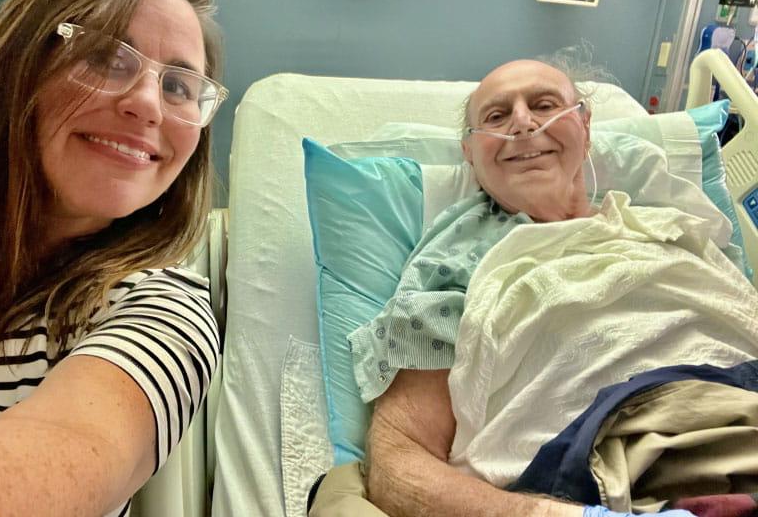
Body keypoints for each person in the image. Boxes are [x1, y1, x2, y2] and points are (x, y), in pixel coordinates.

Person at [309, 58, 758, 517]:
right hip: (620, 465)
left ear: (585, 126)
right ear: (469, 152)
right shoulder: (454, 264)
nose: (523, 123)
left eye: (544, 105)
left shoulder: (673, 228)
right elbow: (399, 461)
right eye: (496, 117)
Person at [0, 0, 227, 516]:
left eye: (179, 86)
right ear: (20, 64)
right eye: (106, 58)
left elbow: (80, 455)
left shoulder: (164, 311)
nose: (148, 105)